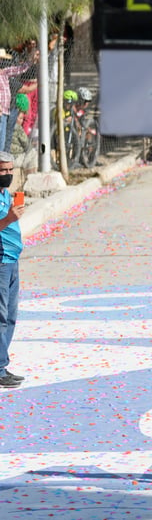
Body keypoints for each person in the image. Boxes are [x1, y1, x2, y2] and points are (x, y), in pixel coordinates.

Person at [0, 151, 24, 389]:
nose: (7, 175)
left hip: (12, 260)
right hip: (1, 261)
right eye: (2, 171)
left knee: (10, 316)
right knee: (0, 317)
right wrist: (8, 219)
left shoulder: (5, 195)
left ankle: (2, 364)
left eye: (10, 170)